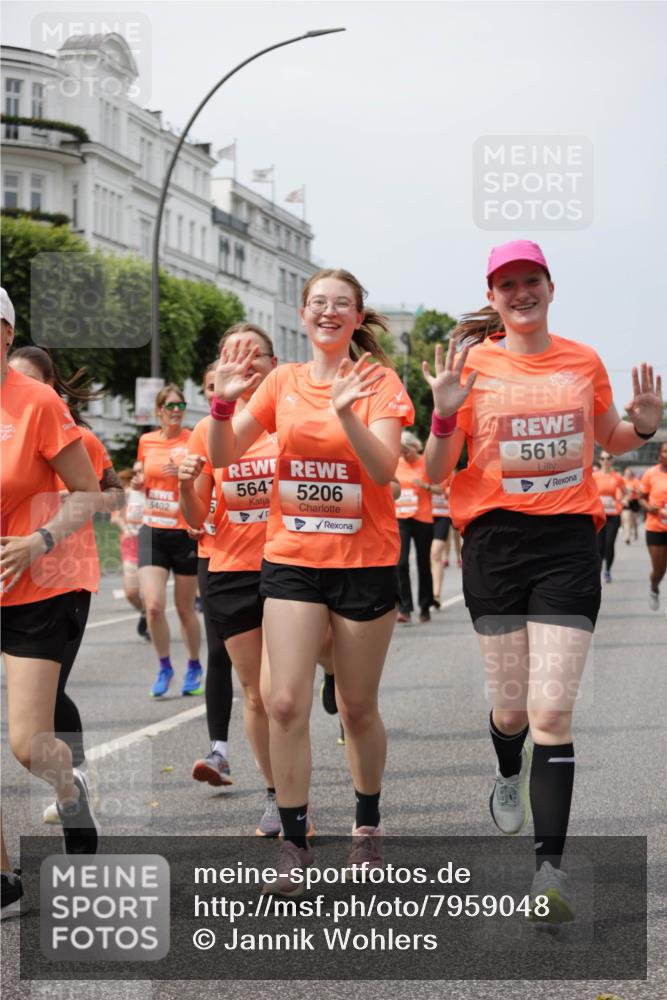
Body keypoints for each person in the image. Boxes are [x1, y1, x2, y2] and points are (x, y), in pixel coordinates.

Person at [422, 241, 662, 922]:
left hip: (566, 543)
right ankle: (507, 768)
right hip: (495, 544)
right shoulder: (472, 366)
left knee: (551, 713)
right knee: (511, 711)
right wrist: (443, 414)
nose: (520, 292)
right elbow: (436, 471)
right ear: (492, 297)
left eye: (531, 280)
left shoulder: (582, 361)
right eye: (507, 284)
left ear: (551, 288)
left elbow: (611, 435)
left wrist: (643, 424)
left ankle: (548, 873)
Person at [208, 269, 414, 895]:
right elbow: (222, 455)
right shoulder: (282, 382)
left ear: (357, 317)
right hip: (292, 558)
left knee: (356, 707)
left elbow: (383, 469)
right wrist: (222, 403)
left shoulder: (379, 382)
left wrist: (347, 412)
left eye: (341, 304)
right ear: (302, 314)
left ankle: (367, 821)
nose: (328, 311)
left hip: (364, 561)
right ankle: (294, 841)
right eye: (318, 302)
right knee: (284, 701)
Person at [1, 287, 102, 859]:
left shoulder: (36, 402)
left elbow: (87, 493)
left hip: (36, 591)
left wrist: (37, 541)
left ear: (7, 333)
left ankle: (69, 789)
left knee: (29, 744)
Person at [8, 345, 125, 825]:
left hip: (60, 578)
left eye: (31, 380)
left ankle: (71, 778)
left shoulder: (80, 438)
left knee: (48, 700)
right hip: (13, 573)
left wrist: (57, 520)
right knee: (45, 703)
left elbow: (111, 495)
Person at [180, 359, 234, 790]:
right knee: (219, 651)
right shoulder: (202, 432)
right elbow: (196, 506)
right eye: (212, 386)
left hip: (274, 559)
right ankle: (219, 750)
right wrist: (194, 513)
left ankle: (331, 678)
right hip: (216, 556)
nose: (220, 391)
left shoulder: (271, 426)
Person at [133, 385, 203, 698]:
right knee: (153, 606)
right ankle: (164, 667)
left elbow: (205, 480)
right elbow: (142, 476)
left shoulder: (193, 439)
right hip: (152, 530)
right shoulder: (146, 441)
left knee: (185, 610)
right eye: (171, 406)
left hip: (183, 531)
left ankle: (194, 665)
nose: (176, 411)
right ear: (159, 410)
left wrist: (185, 475)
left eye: (181, 406)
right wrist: (139, 481)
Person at [395, 431, 435, 623]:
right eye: (401, 452)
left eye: (406, 451)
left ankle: (425, 606)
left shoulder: (426, 463)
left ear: (415, 447)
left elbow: (440, 488)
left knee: (423, 562)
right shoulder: (396, 463)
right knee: (401, 563)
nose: (404, 455)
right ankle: (405, 608)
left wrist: (425, 486)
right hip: (401, 517)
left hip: (422, 518)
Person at [111, 465, 149, 638]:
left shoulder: (153, 492)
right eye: (136, 472)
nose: (138, 475)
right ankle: (144, 612)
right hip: (130, 545)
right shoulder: (127, 493)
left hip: (151, 545)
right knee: (131, 593)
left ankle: (152, 619)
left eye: (142, 471)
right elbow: (116, 517)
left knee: (150, 591)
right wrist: (125, 528)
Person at [640, 442, 667, 611]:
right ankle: (654, 587)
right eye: (666, 451)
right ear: (659, 455)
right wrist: (649, 507)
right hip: (656, 528)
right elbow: (641, 497)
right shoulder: (650, 473)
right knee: (659, 570)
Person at [593, 451, 625, 582]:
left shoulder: (617, 477)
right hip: (599, 515)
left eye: (608, 458)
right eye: (603, 458)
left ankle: (607, 571)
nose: (605, 461)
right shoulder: (594, 476)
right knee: (599, 545)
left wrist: (623, 499)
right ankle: (599, 570)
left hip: (613, 515)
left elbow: (625, 493)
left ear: (612, 460)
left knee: (609, 543)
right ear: (599, 460)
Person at [429, 471, 453, 608]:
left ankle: (436, 594)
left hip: (443, 515)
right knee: (428, 557)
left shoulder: (447, 470)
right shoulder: (421, 469)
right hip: (425, 515)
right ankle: (429, 591)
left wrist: (448, 490)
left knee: (436, 553)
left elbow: (454, 489)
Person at [622, 466, 642, 544]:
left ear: (632, 474)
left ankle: (635, 530)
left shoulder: (635, 481)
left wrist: (633, 490)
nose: (628, 475)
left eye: (629, 474)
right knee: (626, 519)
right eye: (626, 474)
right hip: (626, 501)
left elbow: (640, 491)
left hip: (634, 501)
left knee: (634, 520)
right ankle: (627, 536)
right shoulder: (622, 480)